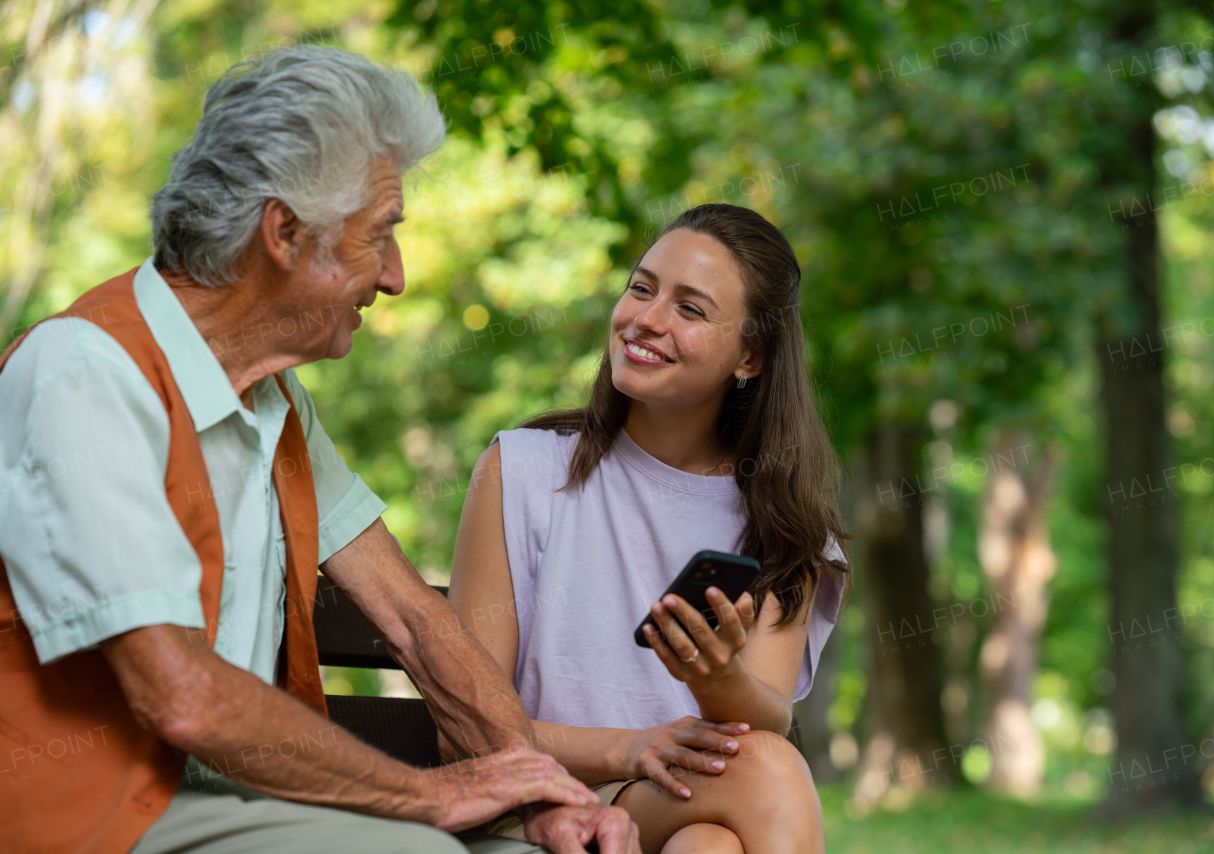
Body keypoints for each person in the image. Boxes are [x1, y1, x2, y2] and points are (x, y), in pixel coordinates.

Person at [0, 46, 638, 854]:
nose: (397, 276)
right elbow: (182, 695)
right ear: (285, 233)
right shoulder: (82, 373)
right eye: (381, 236)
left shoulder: (274, 403)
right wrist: (424, 797)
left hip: (229, 807)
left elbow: (414, 619)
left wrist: (543, 792)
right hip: (88, 823)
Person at [449, 203, 850, 853]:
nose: (647, 319)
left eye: (690, 309)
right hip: (536, 806)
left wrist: (714, 679)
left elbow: (769, 714)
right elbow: (464, 726)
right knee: (766, 776)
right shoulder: (521, 470)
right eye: (642, 288)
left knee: (708, 847)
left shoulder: (785, 524)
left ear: (749, 356)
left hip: (680, 806)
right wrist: (631, 748)